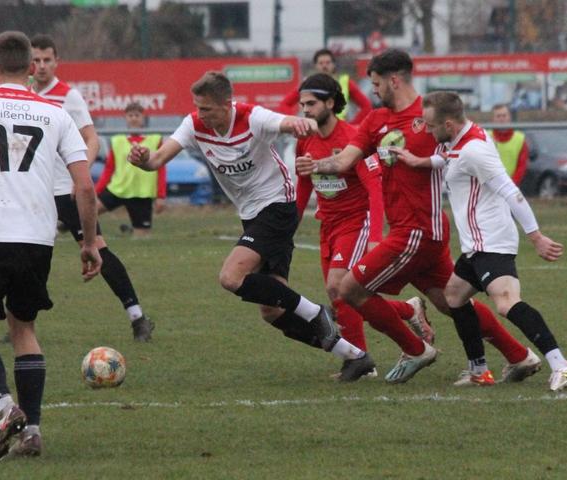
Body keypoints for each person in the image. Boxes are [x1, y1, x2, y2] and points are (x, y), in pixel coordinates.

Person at [300, 49, 533, 384]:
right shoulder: (375, 120)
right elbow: (344, 160)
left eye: (377, 83)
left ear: (394, 80)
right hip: (417, 231)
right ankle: (519, 355)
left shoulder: (431, 116)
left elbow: (470, 144)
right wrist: (317, 165)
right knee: (447, 302)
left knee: (348, 288)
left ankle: (415, 349)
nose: (374, 91)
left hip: (417, 229)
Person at [129, 71, 375, 381]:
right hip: (251, 215)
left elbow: (286, 122)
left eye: (206, 108)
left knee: (231, 277)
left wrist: (303, 123)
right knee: (271, 310)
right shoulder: (194, 124)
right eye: (198, 107)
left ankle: (316, 312)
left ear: (227, 104)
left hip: (277, 206)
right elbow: (157, 159)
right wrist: (142, 159)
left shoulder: (252, 117)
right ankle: (353, 356)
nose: (200, 114)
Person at [0, 31, 101, 461]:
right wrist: (89, 240)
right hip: (37, 238)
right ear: (32, 68)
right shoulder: (56, 114)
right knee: (24, 328)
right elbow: (83, 186)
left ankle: (4, 405)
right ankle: (31, 430)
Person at [393, 91, 567, 391]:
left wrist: (536, 236)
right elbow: (447, 156)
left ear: (450, 125)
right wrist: (419, 160)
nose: (427, 131)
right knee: (454, 296)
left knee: (507, 304)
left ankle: (563, 365)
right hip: (475, 244)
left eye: (431, 126)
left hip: (492, 241)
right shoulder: (460, 139)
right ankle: (479, 370)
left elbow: (511, 192)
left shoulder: (474, 151)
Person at [293, 73, 433, 379]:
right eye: (302, 104)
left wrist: (374, 236)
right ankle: (407, 312)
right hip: (327, 224)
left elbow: (374, 188)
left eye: (311, 103)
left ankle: (358, 360)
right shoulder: (305, 139)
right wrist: (291, 224)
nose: (304, 110)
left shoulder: (352, 138)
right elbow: (304, 183)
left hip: (355, 221)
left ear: (330, 103)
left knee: (337, 285)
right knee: (339, 295)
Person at [30, 34, 154, 341]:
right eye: (36, 60)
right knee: (25, 254)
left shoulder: (67, 96)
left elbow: (92, 138)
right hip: (34, 190)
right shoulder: (23, 95)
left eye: (47, 60)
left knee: (97, 249)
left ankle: (137, 317)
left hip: (66, 189)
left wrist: (79, 176)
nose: (42, 66)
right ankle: (20, 321)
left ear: (57, 61)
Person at [95, 101, 167, 237]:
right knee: (87, 212)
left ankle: (133, 231)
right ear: (125, 118)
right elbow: (109, 169)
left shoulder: (154, 139)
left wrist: (161, 196)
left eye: (137, 115)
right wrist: (96, 191)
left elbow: (161, 169)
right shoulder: (117, 140)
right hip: (118, 189)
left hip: (141, 193)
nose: (134, 118)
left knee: (142, 236)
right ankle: (64, 226)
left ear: (143, 118)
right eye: (130, 115)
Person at [277, 48, 372, 125]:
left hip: (339, 132)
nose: (324, 66)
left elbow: (366, 106)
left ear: (334, 65)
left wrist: (352, 126)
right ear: (315, 66)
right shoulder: (307, 84)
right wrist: (296, 123)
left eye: (328, 63)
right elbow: (285, 104)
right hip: (314, 132)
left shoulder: (345, 82)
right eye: (321, 63)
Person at [486, 103, 529, 186]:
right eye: (498, 116)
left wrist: (510, 186)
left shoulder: (520, 139)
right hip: (490, 188)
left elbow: (522, 167)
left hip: (512, 188)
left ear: (509, 117)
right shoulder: (486, 137)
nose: (501, 119)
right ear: (493, 119)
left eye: (504, 115)